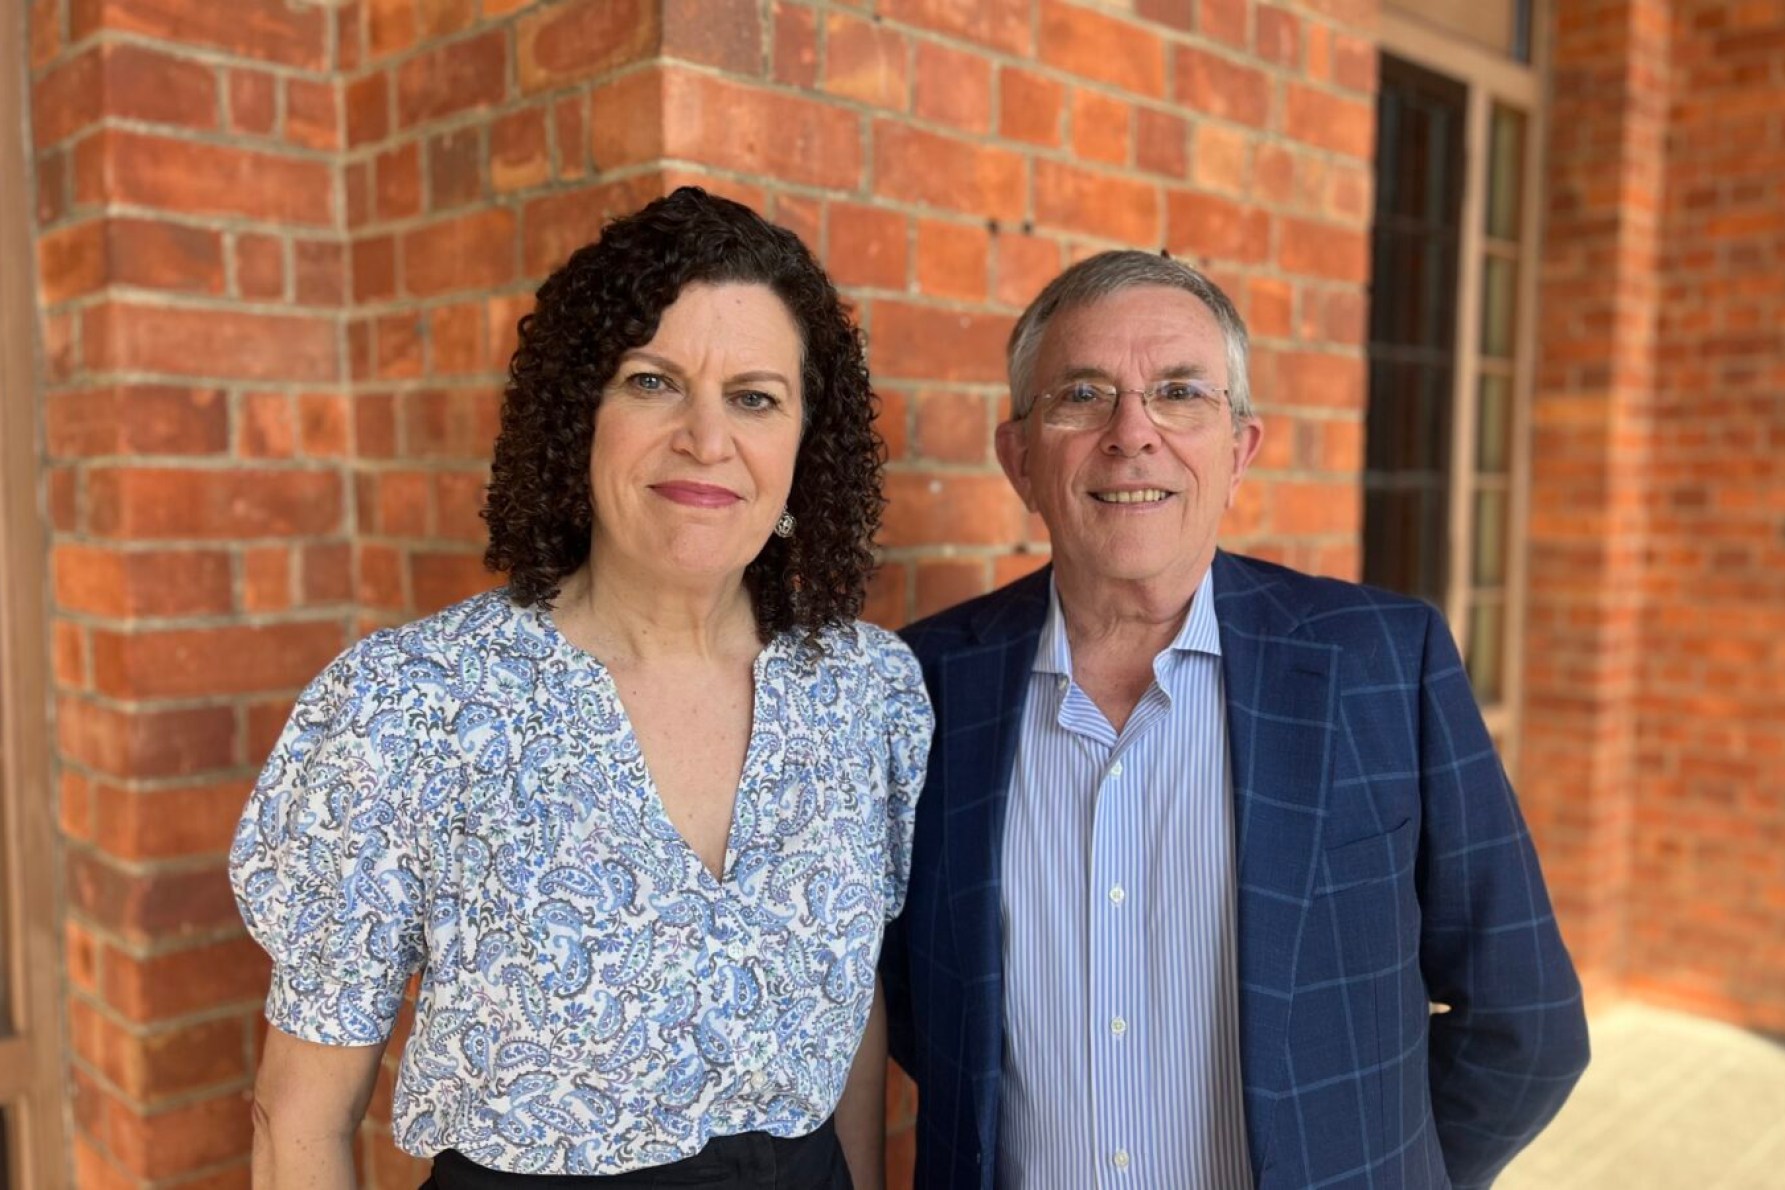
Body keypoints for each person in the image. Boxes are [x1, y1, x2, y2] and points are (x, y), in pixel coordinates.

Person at [231, 187, 932, 1189]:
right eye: (653, 381)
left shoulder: (866, 691)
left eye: (755, 396)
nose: (705, 436)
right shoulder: (413, 703)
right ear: (579, 419)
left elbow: (852, 1015)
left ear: (802, 448)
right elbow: (299, 1118)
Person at [880, 250, 1589, 1189]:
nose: (1132, 434)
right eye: (1081, 395)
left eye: (1179, 393)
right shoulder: (922, 685)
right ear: (1018, 458)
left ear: (1239, 448)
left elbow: (1524, 1020)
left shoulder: (1380, 662)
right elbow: (930, 1022)